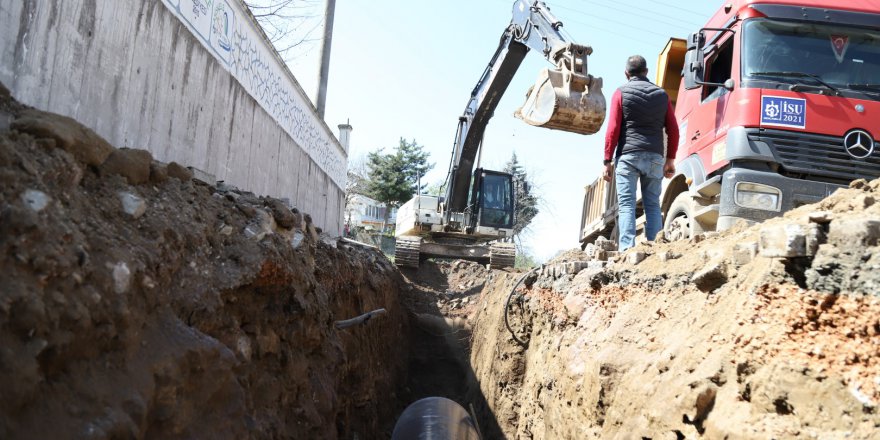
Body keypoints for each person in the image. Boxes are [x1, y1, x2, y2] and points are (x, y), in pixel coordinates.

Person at [603, 55, 680, 251]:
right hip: (654, 157)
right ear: (646, 72)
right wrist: (670, 159)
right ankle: (654, 249)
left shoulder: (620, 93)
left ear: (626, 74)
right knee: (653, 205)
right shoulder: (661, 95)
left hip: (627, 157)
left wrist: (607, 161)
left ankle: (627, 250)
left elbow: (612, 129)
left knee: (627, 205)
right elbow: (673, 129)